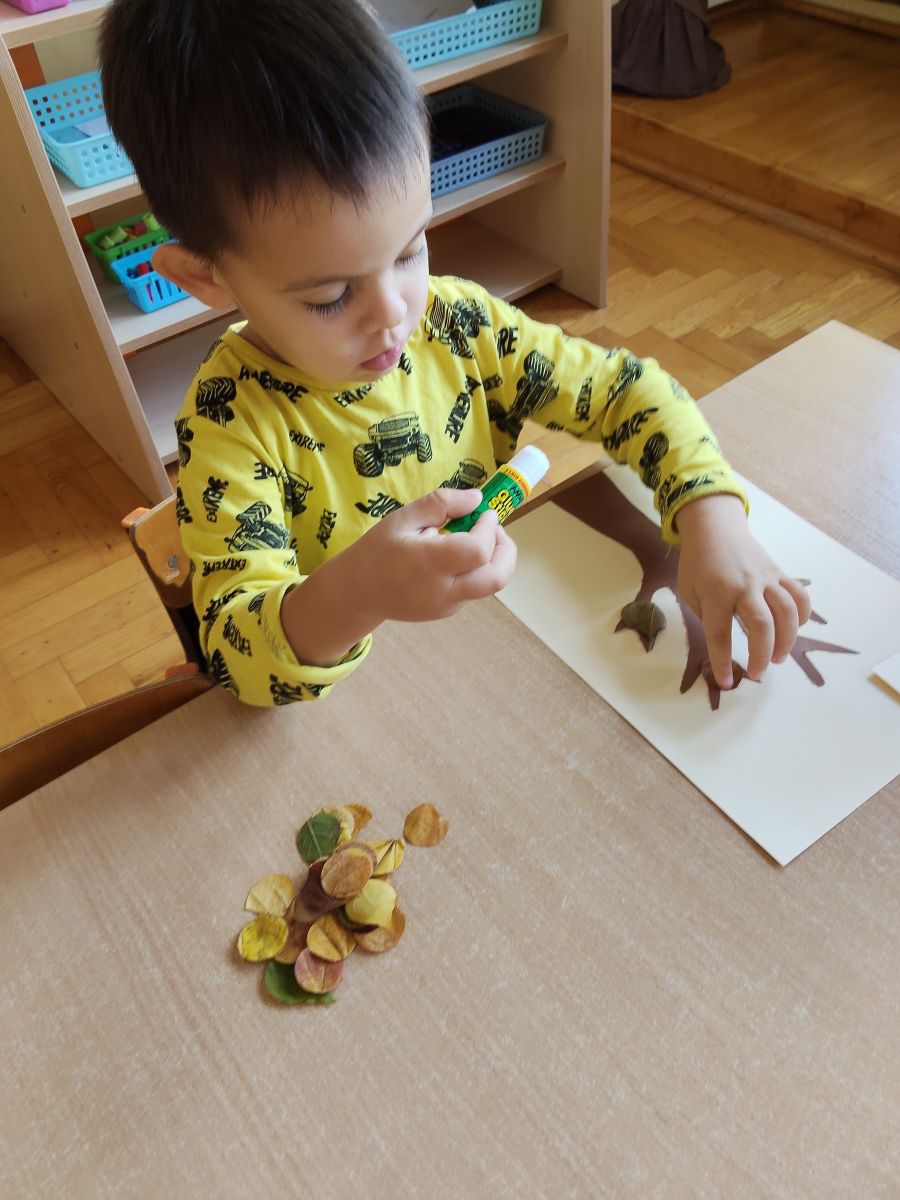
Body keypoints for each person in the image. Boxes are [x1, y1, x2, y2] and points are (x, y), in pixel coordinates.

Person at [100, 0, 809, 707]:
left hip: (495, 664)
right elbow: (238, 657)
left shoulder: (459, 324)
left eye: (411, 249)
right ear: (205, 276)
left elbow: (628, 393)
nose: (394, 313)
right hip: (368, 707)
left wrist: (712, 515)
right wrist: (362, 590)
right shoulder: (229, 421)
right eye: (329, 297)